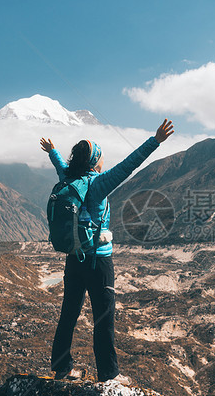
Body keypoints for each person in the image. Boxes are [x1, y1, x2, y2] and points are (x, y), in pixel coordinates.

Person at [40, 119, 174, 382]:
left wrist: (53, 152)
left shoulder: (69, 178)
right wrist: (155, 141)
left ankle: (61, 368)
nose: (103, 162)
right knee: (104, 319)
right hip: (98, 264)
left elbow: (60, 166)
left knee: (68, 314)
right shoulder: (98, 184)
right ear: (94, 162)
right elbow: (129, 165)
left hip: (73, 259)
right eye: (100, 157)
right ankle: (109, 375)